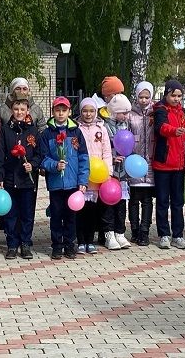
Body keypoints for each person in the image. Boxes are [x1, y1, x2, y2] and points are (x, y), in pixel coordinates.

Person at [39, 96, 90, 260]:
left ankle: (69, 244)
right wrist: (55, 165)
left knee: (71, 216)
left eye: (64, 110)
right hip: (55, 184)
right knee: (56, 215)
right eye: (57, 110)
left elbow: (83, 158)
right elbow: (43, 158)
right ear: (53, 112)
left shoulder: (76, 131)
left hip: (72, 183)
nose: (60, 114)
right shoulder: (47, 133)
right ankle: (56, 245)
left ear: (69, 112)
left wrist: (82, 181)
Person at [0, 96, 42, 259]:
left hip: (27, 181)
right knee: (11, 214)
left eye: (22, 109)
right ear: (11, 111)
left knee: (27, 214)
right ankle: (12, 244)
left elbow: (38, 154)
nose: (19, 112)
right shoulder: (5, 130)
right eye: (16, 109)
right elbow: (0, 154)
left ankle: (25, 243)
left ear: (27, 111)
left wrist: (33, 165)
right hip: (9, 179)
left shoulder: (33, 130)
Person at [152, 79, 185, 250]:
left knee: (178, 202)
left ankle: (178, 235)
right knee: (162, 201)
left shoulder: (182, 113)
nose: (176, 98)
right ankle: (164, 234)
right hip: (163, 164)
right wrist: (174, 131)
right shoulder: (160, 110)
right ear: (166, 94)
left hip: (179, 165)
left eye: (179, 96)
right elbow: (160, 128)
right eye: (173, 95)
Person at [73, 97, 111, 254]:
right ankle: (80, 240)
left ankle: (90, 240)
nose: (88, 114)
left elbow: (107, 151)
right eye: (85, 111)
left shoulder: (101, 129)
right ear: (80, 112)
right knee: (79, 210)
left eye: (91, 111)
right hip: (80, 176)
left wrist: (108, 171)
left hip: (97, 177)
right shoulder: (76, 128)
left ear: (96, 112)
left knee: (92, 211)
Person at [126, 82, 156, 247]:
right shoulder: (131, 114)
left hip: (150, 163)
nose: (144, 100)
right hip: (134, 162)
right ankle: (135, 230)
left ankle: (145, 231)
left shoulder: (155, 113)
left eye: (147, 97)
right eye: (141, 97)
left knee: (147, 200)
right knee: (133, 200)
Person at [102, 94, 133, 250]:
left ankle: (120, 232)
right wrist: (114, 158)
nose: (126, 116)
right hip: (110, 172)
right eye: (124, 112)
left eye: (128, 112)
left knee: (122, 203)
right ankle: (109, 233)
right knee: (109, 203)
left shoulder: (126, 125)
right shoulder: (105, 126)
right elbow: (104, 147)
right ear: (115, 112)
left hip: (123, 174)